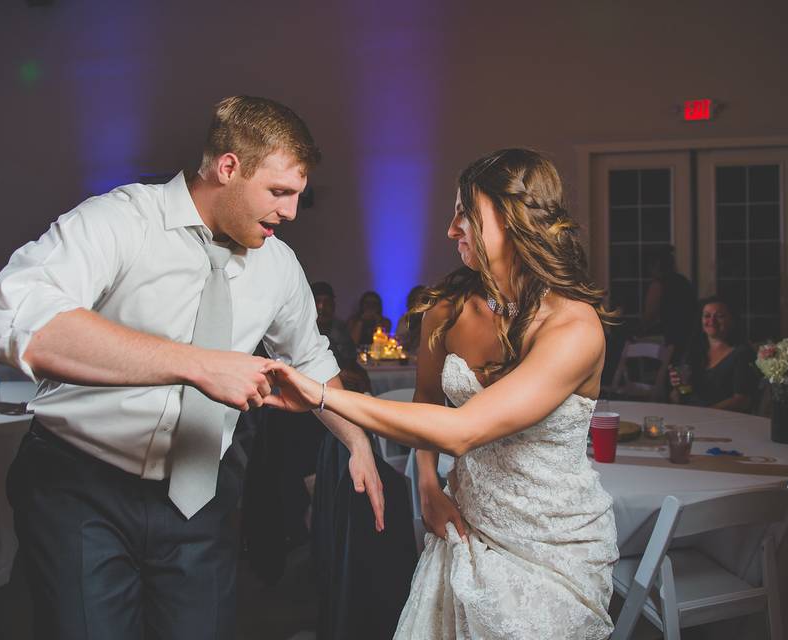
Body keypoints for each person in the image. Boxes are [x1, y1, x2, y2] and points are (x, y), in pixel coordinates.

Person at [0, 96, 383, 640]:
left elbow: (309, 357)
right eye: (279, 192)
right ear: (228, 167)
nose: (290, 212)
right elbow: (13, 316)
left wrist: (356, 442)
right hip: (80, 489)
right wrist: (197, 366)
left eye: (296, 197)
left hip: (201, 499)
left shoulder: (280, 263)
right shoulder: (122, 219)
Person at [264, 148, 619, 639]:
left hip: (552, 544)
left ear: (515, 221)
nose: (453, 230)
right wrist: (428, 485)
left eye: (465, 214)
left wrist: (322, 395)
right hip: (464, 530)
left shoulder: (573, 328)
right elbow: (429, 400)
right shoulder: (447, 312)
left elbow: (462, 430)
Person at [668, 296, 758, 412]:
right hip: (690, 416)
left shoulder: (743, 354)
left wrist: (704, 414)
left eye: (719, 316)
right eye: (707, 316)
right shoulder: (694, 350)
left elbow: (742, 401)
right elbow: (676, 398)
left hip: (723, 421)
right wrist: (677, 387)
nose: (712, 321)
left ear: (732, 320)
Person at [311, 280, 369, 393]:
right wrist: (337, 373)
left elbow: (351, 358)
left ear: (333, 305)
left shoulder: (340, 327)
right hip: (318, 388)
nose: (322, 307)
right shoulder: (304, 330)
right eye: (317, 301)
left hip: (346, 386)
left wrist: (360, 375)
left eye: (327, 302)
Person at [641, 245, 696, 360]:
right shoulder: (684, 282)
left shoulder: (658, 285)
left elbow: (649, 317)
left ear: (655, 265)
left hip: (669, 339)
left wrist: (639, 330)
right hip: (687, 340)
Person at [395, 284, 426, 354]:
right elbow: (399, 343)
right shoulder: (403, 320)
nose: (417, 304)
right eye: (414, 300)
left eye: (422, 300)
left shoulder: (433, 321)